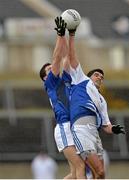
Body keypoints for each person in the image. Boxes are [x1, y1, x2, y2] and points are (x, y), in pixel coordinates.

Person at [67, 28, 125, 179]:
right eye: (96, 74)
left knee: (101, 175)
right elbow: (72, 57)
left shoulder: (102, 100)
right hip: (81, 129)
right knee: (98, 170)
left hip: (94, 133)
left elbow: (106, 125)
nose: (100, 77)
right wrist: (71, 35)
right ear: (89, 76)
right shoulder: (81, 80)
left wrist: (114, 129)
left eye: (102, 76)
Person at [39, 17, 86, 179]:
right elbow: (57, 58)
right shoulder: (51, 83)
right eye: (49, 70)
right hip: (64, 126)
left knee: (74, 173)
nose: (52, 69)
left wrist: (68, 34)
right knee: (80, 165)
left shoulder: (64, 78)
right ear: (45, 78)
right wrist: (60, 35)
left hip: (74, 125)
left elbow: (65, 56)